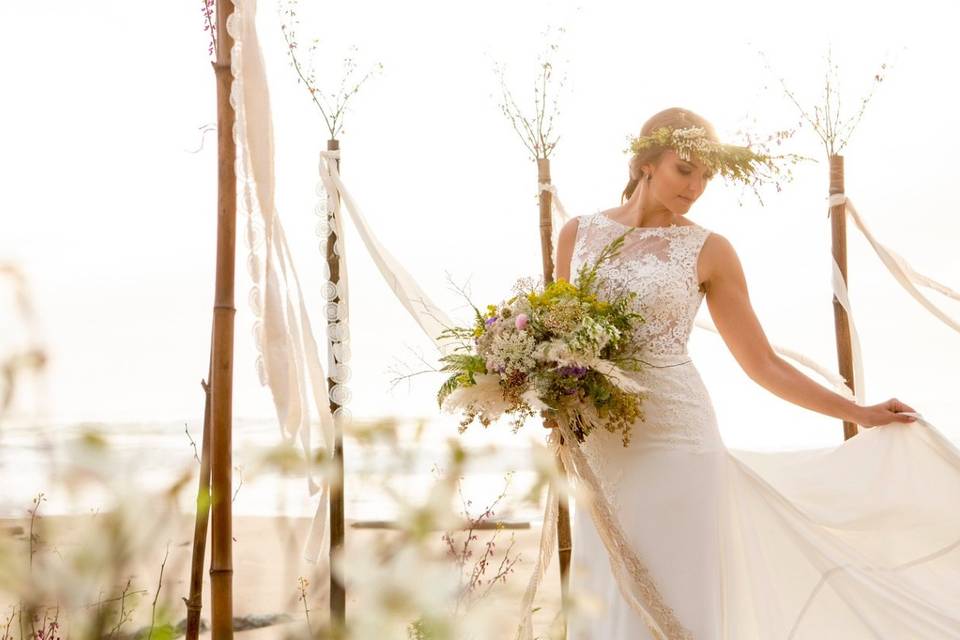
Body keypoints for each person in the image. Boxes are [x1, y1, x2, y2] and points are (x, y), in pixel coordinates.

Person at [540, 107, 960, 639]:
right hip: (600, 445)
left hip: (677, 443)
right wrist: (539, 381)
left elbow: (761, 362)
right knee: (606, 594)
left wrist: (857, 411)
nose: (695, 188)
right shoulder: (577, 234)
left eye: (706, 178)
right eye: (684, 169)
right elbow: (555, 333)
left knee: (680, 594)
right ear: (647, 162)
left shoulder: (710, 251)